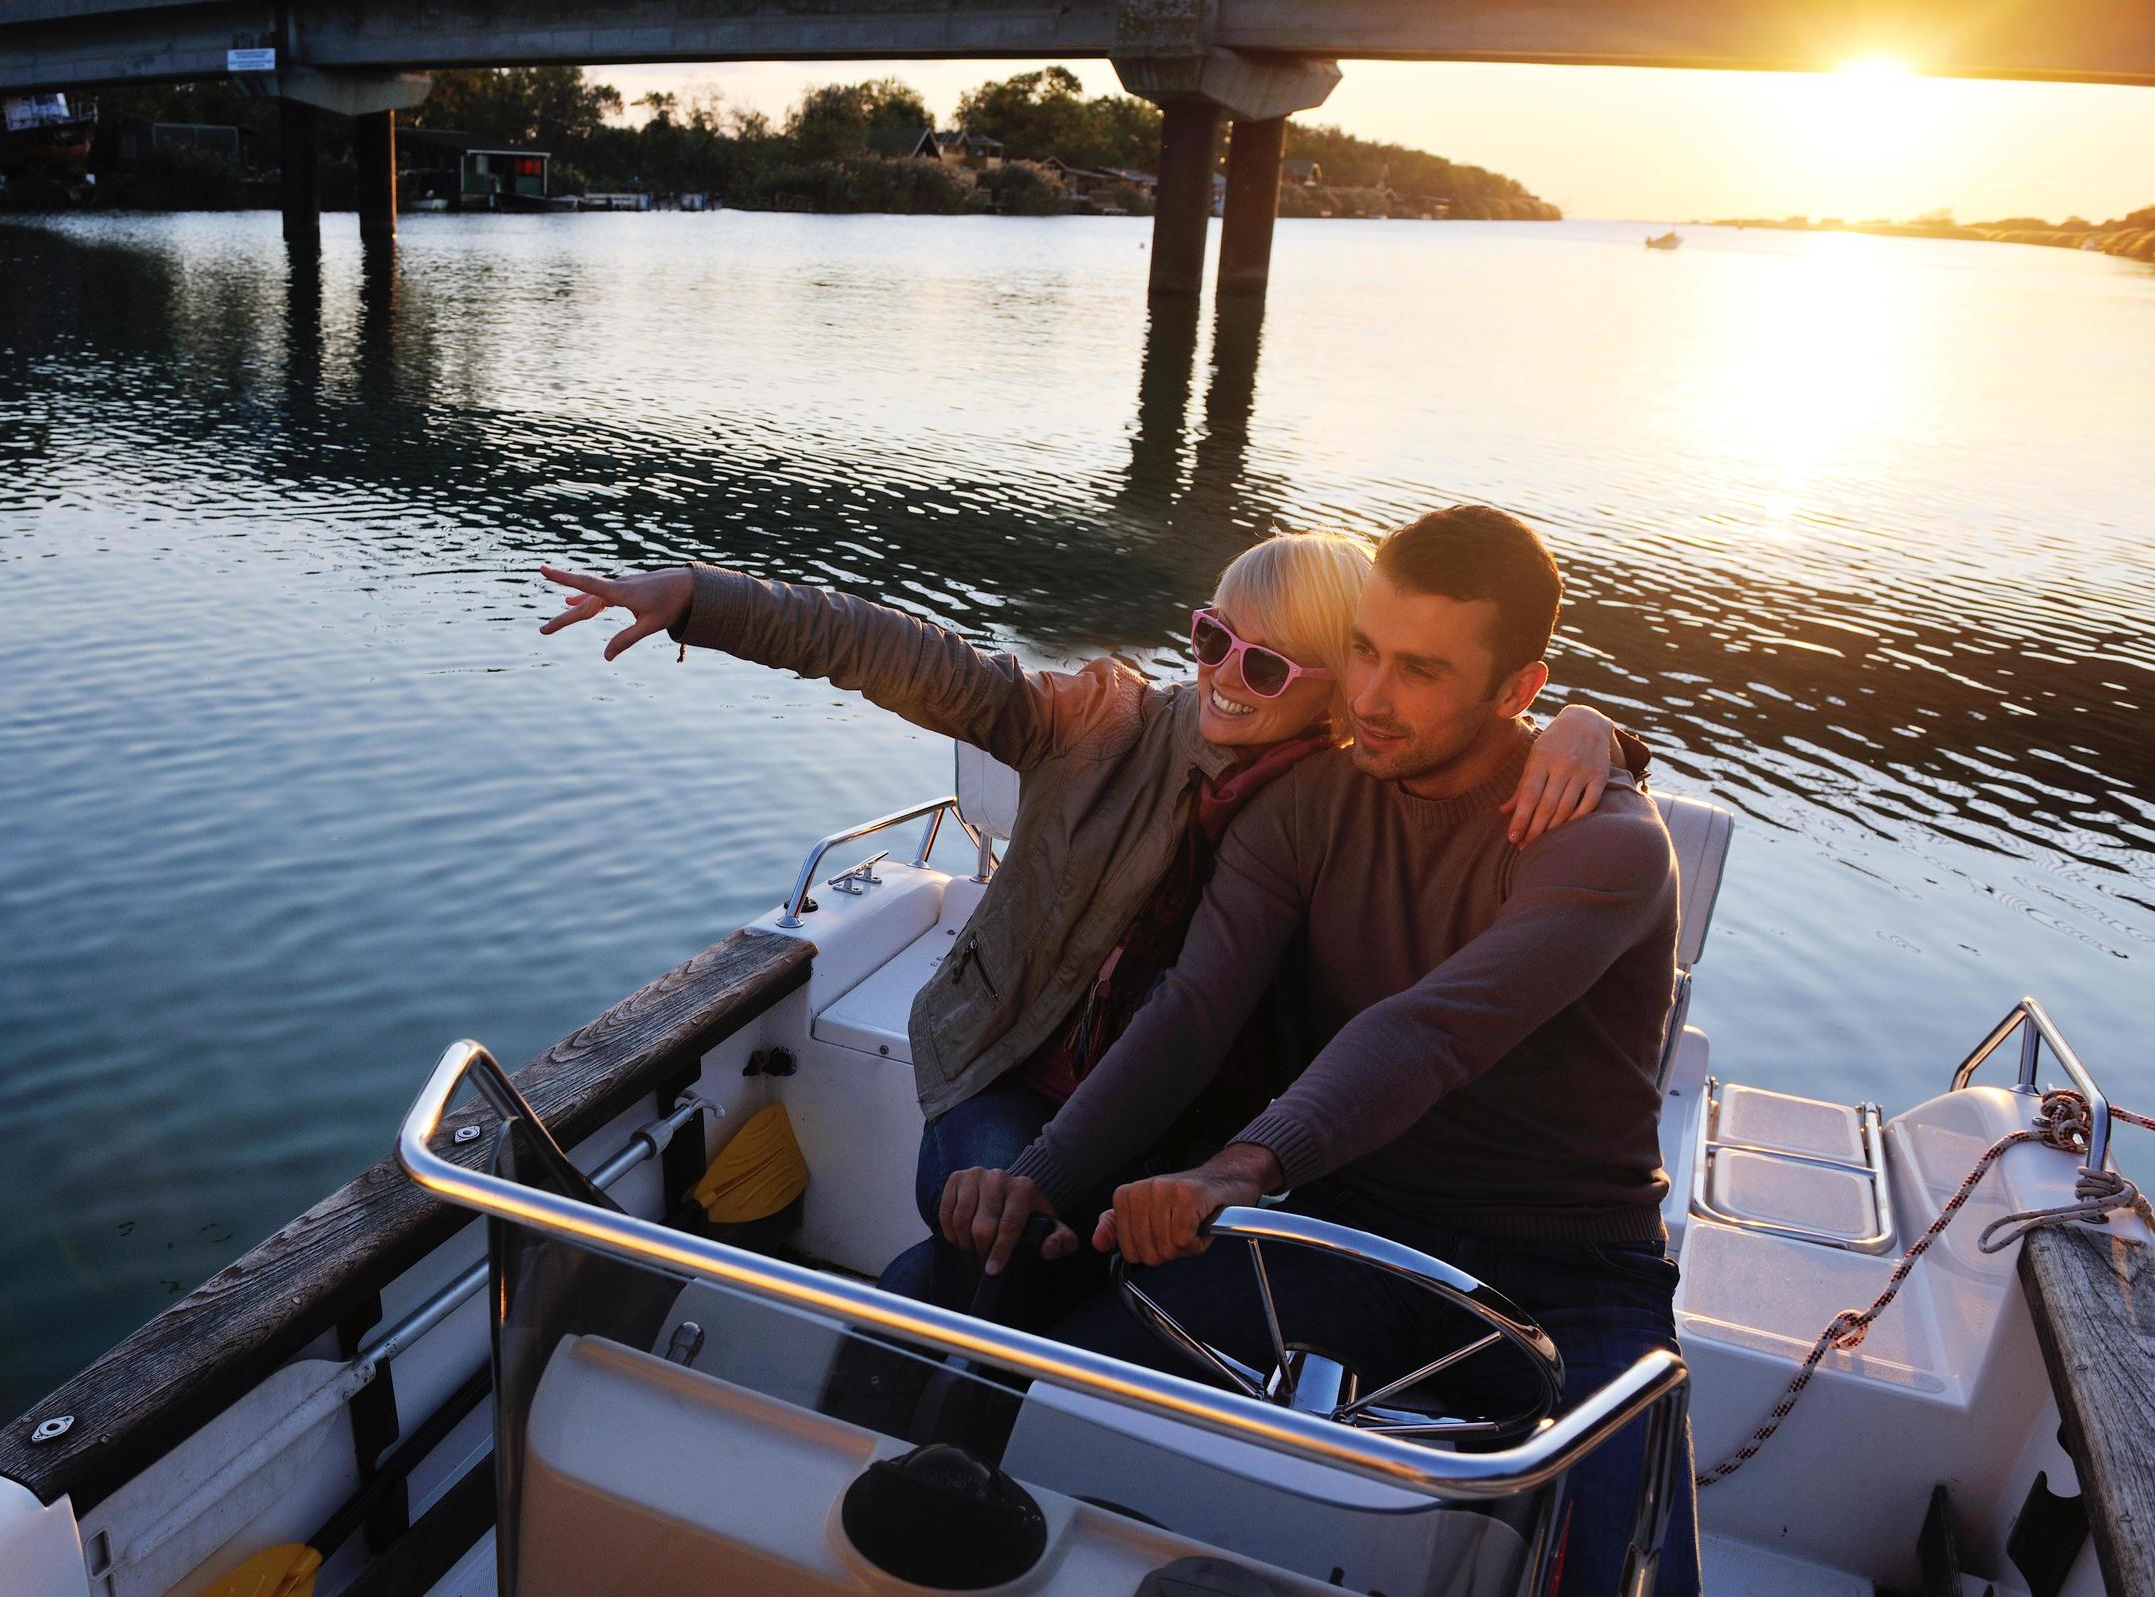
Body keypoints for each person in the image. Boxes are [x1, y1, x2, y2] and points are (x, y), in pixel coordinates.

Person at [982, 504, 1706, 1597]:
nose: (1371, 696)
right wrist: (1044, 1174)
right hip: (1349, 1214)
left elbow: (1430, 1031)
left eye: (1423, 671)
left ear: (1523, 693)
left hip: (1572, 1268)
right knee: (1070, 1393)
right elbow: (1195, 1009)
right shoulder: (1312, 802)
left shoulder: (1608, 842)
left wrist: (1238, 1167)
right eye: (1367, 651)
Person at [538, 539, 1638, 1322]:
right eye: (1211, 638)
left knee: (1056, 1265)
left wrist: (1602, 734)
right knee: (1011, 1237)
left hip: (1190, 1127)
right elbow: (903, 655)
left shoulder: (1343, 799)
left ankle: (902, 1446)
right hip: (1012, 1073)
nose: (1218, 678)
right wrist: (703, 600)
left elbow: (1480, 742)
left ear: (1340, 690)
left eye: (1263, 664)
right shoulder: (1105, 721)